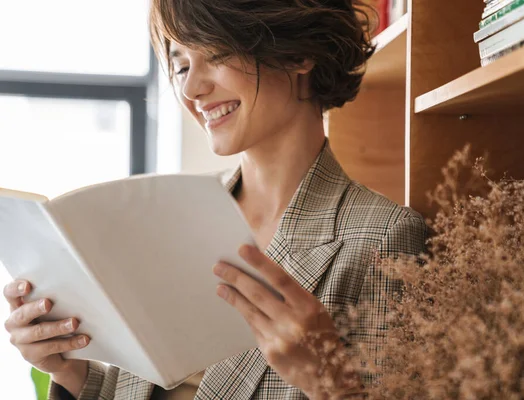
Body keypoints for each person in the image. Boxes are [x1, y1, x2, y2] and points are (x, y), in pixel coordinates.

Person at [3, 0, 427, 399]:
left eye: (218, 53)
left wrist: (329, 381)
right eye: (180, 63)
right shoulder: (166, 213)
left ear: (300, 53)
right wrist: (67, 367)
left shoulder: (384, 238)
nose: (191, 88)